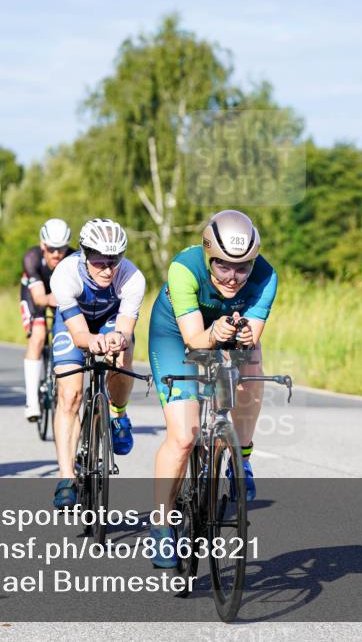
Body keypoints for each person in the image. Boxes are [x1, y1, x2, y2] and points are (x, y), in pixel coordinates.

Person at [147, 210, 278, 567]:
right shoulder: (183, 268)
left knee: (251, 364)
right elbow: (194, 339)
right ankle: (160, 526)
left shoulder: (266, 276)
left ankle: (243, 456)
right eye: (223, 267)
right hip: (176, 336)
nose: (234, 278)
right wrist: (214, 335)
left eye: (243, 267)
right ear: (208, 257)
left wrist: (245, 336)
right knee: (184, 437)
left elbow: (250, 337)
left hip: (224, 332)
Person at [49, 218, 146, 508]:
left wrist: (118, 339)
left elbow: (126, 330)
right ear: (84, 255)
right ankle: (66, 477)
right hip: (73, 323)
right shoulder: (65, 274)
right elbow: (78, 333)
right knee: (70, 395)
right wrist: (90, 341)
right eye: (100, 262)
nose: (107, 269)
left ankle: (119, 413)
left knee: (122, 354)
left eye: (113, 261)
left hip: (111, 319)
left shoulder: (132, 277)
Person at [19, 218, 72, 422]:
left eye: (61, 248)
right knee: (39, 336)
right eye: (51, 249)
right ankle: (32, 401)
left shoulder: (74, 257)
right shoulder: (32, 258)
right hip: (36, 296)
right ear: (43, 245)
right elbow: (40, 299)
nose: (57, 254)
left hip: (60, 297)